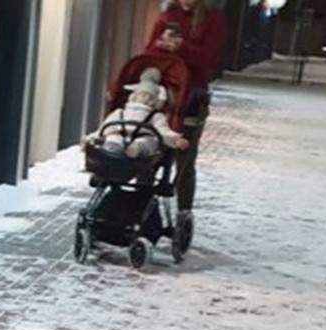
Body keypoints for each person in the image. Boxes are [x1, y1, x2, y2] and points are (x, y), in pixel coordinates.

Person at [145, 0, 225, 210]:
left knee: (185, 161)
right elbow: (148, 54)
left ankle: (183, 212)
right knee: (150, 153)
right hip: (164, 95)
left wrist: (182, 48)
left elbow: (210, 58)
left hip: (192, 96)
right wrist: (160, 45)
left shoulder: (212, 18)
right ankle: (139, 207)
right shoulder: (168, 14)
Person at [86, 67, 189, 159]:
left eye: (150, 97)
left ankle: (136, 149)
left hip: (144, 136)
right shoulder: (120, 112)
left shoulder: (156, 116)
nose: (146, 99)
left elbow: (163, 131)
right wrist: (92, 137)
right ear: (134, 96)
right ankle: (113, 147)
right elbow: (106, 127)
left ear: (155, 102)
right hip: (120, 133)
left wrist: (175, 140)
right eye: (142, 95)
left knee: (149, 142)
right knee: (113, 136)